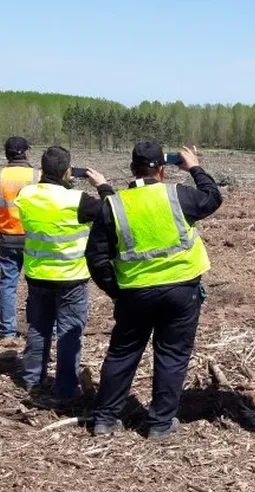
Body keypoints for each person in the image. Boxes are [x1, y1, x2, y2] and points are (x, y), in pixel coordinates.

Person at [86, 143, 222, 439]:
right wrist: (195, 167)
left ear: (132, 168)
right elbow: (212, 197)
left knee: (123, 354)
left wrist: (115, 290)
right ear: (162, 169)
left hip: (134, 293)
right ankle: (160, 423)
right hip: (181, 289)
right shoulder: (178, 195)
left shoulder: (114, 205)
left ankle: (105, 419)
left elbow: (96, 257)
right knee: (172, 355)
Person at [15, 146, 111, 400]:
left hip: (37, 274)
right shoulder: (76, 200)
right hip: (71, 277)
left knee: (38, 329)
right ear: (68, 171)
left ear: (42, 169)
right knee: (69, 332)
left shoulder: (26, 194)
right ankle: (66, 389)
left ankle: (32, 379)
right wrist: (102, 185)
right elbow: (111, 210)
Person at [0, 137, 39, 340]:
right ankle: (37, 328)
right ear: (26, 152)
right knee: (36, 284)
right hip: (32, 236)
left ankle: (7, 331)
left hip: (7, 235)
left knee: (8, 284)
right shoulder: (37, 175)